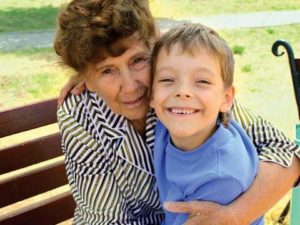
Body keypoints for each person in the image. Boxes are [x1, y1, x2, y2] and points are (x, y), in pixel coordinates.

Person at [55, 0, 300, 224]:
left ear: (154, 45)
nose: (131, 87)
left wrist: (234, 216)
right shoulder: (80, 115)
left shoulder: (179, 89)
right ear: (84, 78)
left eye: (138, 60)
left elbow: (286, 152)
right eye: (107, 71)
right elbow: (104, 220)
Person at [150, 23, 263, 225]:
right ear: (151, 94)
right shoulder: (169, 122)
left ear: (226, 99)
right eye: (167, 79)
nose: (182, 91)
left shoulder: (221, 177)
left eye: (202, 81)